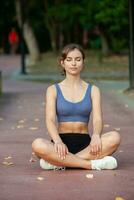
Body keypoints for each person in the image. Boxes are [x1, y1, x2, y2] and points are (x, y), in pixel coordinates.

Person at [32, 43, 121, 170]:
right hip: (61, 144)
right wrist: (57, 141)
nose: (73, 63)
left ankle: (60, 163)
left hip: (86, 144)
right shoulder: (53, 90)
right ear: (63, 63)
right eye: (69, 59)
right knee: (37, 144)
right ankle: (90, 164)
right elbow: (50, 120)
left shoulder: (93, 90)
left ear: (83, 62)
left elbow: (97, 119)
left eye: (78, 59)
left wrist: (96, 135)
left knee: (114, 137)